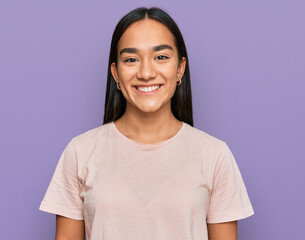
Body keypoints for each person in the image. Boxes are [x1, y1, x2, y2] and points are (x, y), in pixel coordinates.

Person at [39, 7, 254, 240]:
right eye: (131, 59)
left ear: (180, 68)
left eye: (161, 57)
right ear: (116, 74)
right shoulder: (79, 153)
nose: (146, 72)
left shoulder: (215, 156)